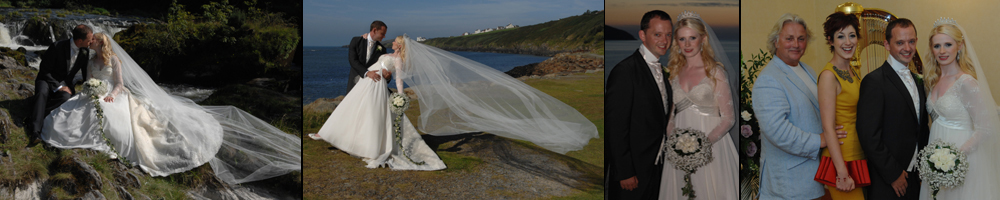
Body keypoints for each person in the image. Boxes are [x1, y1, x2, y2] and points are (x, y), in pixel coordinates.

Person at [41, 30, 301, 185]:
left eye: (95, 42)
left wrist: (110, 95)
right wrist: (89, 89)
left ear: (102, 44)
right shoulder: (89, 60)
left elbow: (119, 84)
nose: (92, 44)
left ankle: (113, 145)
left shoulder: (116, 60)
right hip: (94, 94)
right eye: (91, 42)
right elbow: (88, 80)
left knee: (114, 118)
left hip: (114, 95)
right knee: (69, 115)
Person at [311, 36, 446, 170]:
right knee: (351, 108)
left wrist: (400, 96)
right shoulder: (386, 54)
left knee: (371, 114)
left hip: (376, 86)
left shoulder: (398, 60)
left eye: (395, 41)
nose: (392, 42)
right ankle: (327, 134)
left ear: (399, 46)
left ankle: (367, 147)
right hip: (365, 84)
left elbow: (399, 79)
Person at [753, 13, 849, 199]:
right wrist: (821, 140)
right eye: (789, 38)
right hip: (788, 183)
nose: (796, 44)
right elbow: (778, 131)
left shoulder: (808, 70)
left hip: (813, 176)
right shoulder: (768, 79)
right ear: (776, 42)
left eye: (801, 39)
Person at [657, 10, 738, 200]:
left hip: (712, 147)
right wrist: (676, 143)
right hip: (678, 149)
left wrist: (701, 146)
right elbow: (670, 117)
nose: (687, 44)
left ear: (703, 38)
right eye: (682, 39)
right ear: (677, 42)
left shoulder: (715, 72)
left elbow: (728, 118)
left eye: (692, 38)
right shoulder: (674, 73)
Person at [917, 18, 1000, 199]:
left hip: (963, 158)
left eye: (948, 44)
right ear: (931, 49)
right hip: (936, 155)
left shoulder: (966, 82)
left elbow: (986, 128)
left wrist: (956, 156)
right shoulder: (932, 80)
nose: (942, 51)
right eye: (937, 46)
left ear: (960, 46)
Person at [856, 18, 928, 200]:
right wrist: (893, 174)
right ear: (887, 45)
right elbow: (869, 136)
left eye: (911, 42)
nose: (907, 48)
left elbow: (920, 128)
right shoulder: (874, 82)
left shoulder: (918, 81)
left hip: (914, 178)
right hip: (888, 180)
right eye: (900, 43)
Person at [606, 10, 673, 200]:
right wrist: (624, 172)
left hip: (658, 168)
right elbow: (615, 127)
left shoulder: (664, 72)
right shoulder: (624, 71)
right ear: (643, 35)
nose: (664, 40)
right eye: (657, 34)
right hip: (632, 174)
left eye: (668, 34)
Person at [816, 12, 866, 200]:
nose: (848, 42)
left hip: (856, 154)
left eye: (852, 35)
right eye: (840, 36)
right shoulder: (829, 76)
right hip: (841, 160)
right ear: (830, 41)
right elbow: (828, 127)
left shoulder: (851, 70)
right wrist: (842, 173)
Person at [29, 24, 93, 146]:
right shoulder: (57, 46)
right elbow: (44, 70)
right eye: (89, 40)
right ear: (80, 41)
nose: (91, 42)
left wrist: (89, 88)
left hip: (66, 83)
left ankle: (37, 114)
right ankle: (35, 132)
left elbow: (85, 73)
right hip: (47, 79)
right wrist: (58, 86)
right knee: (42, 93)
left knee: (65, 97)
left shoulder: (85, 51)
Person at [347, 20, 392, 94]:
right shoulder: (356, 41)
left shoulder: (382, 49)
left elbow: (383, 68)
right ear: (374, 30)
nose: (384, 36)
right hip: (355, 83)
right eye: (382, 34)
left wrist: (388, 77)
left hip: (371, 88)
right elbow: (353, 60)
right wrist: (367, 72)